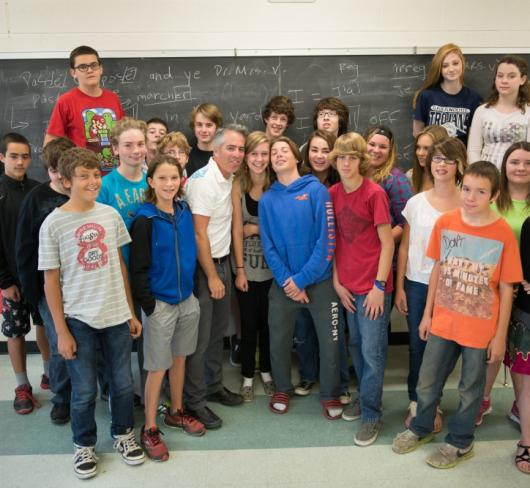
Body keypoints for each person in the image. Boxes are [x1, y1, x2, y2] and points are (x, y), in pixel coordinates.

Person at [392, 161, 523, 469]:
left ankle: (460, 442)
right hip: (443, 321)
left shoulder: (502, 232)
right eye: (466, 189)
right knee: (427, 381)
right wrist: (427, 314)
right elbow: (437, 268)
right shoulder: (447, 222)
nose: (470, 197)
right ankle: (421, 427)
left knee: (470, 388)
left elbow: (506, 288)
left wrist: (501, 336)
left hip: (480, 329)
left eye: (480, 192)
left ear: (494, 195)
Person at [39, 147, 145, 479]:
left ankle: (123, 434)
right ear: (66, 181)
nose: (92, 181)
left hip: (115, 314)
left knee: (123, 383)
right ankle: (84, 443)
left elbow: (120, 268)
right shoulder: (53, 224)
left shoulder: (110, 215)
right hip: (78, 320)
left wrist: (130, 312)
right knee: (84, 389)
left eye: (96, 174)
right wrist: (61, 331)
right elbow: (50, 281)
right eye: (83, 176)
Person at [259, 136, 341, 419]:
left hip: (319, 283)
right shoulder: (267, 199)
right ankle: (283, 387)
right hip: (284, 285)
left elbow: (326, 239)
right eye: (274, 152)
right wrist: (288, 282)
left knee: (330, 341)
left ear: (296, 158)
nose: (279, 155)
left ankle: (330, 393)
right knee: (279, 339)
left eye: (285, 151)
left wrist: (303, 279)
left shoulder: (316, 191)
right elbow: (268, 245)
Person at [130, 155, 203, 462]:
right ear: (151, 182)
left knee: (179, 358)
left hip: (186, 298)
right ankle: (149, 427)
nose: (169, 184)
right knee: (157, 366)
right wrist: (150, 306)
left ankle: (176, 410)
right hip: (159, 303)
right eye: (162, 178)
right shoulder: (145, 220)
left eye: (174, 178)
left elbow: (191, 251)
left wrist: (192, 290)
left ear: (181, 181)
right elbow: (137, 269)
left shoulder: (185, 211)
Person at [395, 137, 466, 433]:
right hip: (417, 283)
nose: (440, 165)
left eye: (447, 160)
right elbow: (404, 247)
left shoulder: (468, 201)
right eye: (436, 159)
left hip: (453, 286)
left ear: (459, 165)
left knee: (445, 349)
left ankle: (432, 399)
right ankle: (418, 402)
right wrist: (399, 286)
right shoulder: (416, 202)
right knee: (418, 347)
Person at [329, 132, 394, 446]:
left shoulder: (374, 193)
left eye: (352, 157)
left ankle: (371, 414)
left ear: (361, 160)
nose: (345, 162)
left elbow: (387, 243)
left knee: (373, 352)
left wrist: (379, 287)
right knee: (356, 347)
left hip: (373, 288)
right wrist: (337, 282)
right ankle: (364, 397)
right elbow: (336, 241)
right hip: (348, 287)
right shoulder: (332, 192)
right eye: (341, 157)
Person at [183, 124, 246, 429]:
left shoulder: (229, 178)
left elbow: (230, 226)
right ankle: (195, 403)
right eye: (231, 148)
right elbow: (198, 235)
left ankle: (213, 386)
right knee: (199, 339)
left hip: (221, 264)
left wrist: (234, 269)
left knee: (216, 334)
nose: (237, 154)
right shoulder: (203, 182)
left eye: (240, 149)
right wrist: (212, 276)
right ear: (216, 150)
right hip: (203, 269)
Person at [15, 137, 75, 424]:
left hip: (81, 286)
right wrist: (31, 293)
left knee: (88, 344)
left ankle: (92, 391)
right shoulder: (35, 199)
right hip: (48, 289)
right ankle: (62, 399)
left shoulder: (83, 193)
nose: (62, 177)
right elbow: (25, 248)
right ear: (50, 169)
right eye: (55, 171)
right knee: (59, 346)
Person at [475, 141, 530, 426]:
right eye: (514, 162)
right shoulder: (493, 201)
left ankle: (521, 405)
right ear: (504, 166)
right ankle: (482, 400)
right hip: (495, 286)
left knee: (523, 354)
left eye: (527, 163)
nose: (520, 168)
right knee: (492, 347)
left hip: (527, 290)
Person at [294, 130, 350, 404]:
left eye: (325, 150)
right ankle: (307, 374)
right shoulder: (298, 184)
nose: (319, 156)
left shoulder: (341, 184)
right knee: (303, 327)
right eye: (314, 150)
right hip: (304, 265)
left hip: (333, 267)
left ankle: (339, 381)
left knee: (333, 329)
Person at [0, 132, 46, 415]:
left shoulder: (39, 190)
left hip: (39, 278)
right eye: (14, 156)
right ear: (2, 157)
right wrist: (5, 282)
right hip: (11, 280)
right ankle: (22, 386)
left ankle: (51, 373)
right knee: (16, 332)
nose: (20, 162)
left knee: (45, 326)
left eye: (25, 156)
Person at [231, 131, 274, 401]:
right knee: (247, 326)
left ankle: (267, 373)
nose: (259, 159)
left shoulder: (276, 184)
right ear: (246, 157)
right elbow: (237, 231)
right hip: (247, 268)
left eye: (264, 154)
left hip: (273, 271)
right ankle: (247, 376)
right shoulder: (238, 184)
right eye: (254, 154)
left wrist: (254, 228)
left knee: (269, 325)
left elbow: (280, 230)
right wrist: (240, 270)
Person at [44, 45, 124, 174]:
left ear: (101, 69)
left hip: (114, 176)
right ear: (73, 73)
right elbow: (51, 143)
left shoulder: (113, 98)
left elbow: (124, 135)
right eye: (82, 67)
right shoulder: (66, 101)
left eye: (94, 65)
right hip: (81, 176)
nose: (90, 70)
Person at [468, 55, 530, 169]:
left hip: (518, 175)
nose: (504, 81)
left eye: (511, 76)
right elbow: (473, 149)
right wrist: (479, 174)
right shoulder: (482, 111)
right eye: (500, 76)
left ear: (523, 79)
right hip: (486, 178)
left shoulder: (528, 113)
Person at [412, 43, 482, 144]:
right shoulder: (426, 96)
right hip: (432, 157)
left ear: (462, 63)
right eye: (445, 66)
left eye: (455, 63)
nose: (451, 69)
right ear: (439, 69)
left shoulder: (474, 98)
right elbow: (417, 133)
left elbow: (474, 139)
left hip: (459, 158)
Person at [507, 216, 530, 474]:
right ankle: (527, 440)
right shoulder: (529, 225)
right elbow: (526, 274)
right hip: (527, 316)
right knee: (526, 385)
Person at [407, 125, 448, 194]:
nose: (420, 153)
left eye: (427, 148)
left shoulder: (455, 180)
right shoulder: (411, 176)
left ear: (441, 149)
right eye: (418, 147)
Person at [186, 103, 224, 177]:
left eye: (209, 125)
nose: (204, 130)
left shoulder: (225, 155)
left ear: (217, 127)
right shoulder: (185, 156)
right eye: (199, 125)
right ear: (194, 127)